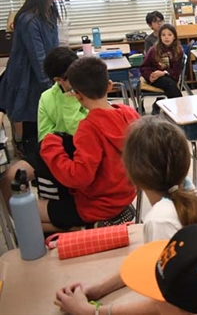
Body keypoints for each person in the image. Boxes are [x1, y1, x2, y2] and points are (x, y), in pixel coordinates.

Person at [53, 116, 197, 315]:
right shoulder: (186, 190)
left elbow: (168, 305)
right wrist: (99, 288)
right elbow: (153, 261)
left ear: (131, 175)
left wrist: (93, 312)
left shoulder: (161, 220)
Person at [39, 57, 139, 232]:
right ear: (109, 85)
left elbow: (78, 177)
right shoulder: (129, 113)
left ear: (76, 94)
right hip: (126, 195)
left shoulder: (89, 128)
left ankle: (88, 228)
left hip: (97, 206)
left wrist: (50, 147)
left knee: (29, 215)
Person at [0, 47, 87, 206]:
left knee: (71, 179)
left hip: (83, 149)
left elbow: (81, 131)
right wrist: (68, 97)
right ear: (58, 79)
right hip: (54, 150)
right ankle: (22, 223)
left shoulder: (88, 89)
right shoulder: (47, 98)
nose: (76, 78)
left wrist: (70, 100)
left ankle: (63, 216)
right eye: (70, 76)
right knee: (9, 177)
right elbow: (45, 137)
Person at [0, 0, 64, 159]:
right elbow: (39, 59)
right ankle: (33, 166)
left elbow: (52, 50)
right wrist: (52, 89)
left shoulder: (49, 12)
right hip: (28, 79)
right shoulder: (29, 20)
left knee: (43, 124)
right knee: (34, 124)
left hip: (44, 75)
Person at [140, 23, 184, 114]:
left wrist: (163, 72)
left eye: (169, 35)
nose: (166, 37)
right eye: (163, 35)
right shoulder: (153, 49)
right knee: (169, 85)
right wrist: (150, 76)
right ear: (160, 37)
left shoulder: (178, 51)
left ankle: (168, 108)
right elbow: (144, 67)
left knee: (169, 83)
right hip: (154, 78)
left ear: (174, 37)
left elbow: (176, 71)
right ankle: (181, 109)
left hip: (170, 76)